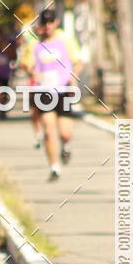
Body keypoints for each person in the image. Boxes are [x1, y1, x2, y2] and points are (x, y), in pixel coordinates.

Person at [30, 9, 82, 181]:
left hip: (63, 91)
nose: (48, 26)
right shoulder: (34, 44)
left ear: (56, 23)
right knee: (49, 131)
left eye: (50, 22)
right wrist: (32, 72)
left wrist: (73, 77)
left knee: (65, 133)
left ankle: (66, 146)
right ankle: (54, 167)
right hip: (44, 92)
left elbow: (79, 60)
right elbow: (27, 63)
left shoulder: (65, 40)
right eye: (44, 23)